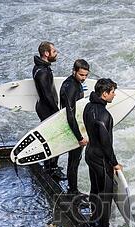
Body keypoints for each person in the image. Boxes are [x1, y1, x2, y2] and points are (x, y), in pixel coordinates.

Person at [83, 78, 123, 227]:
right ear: (105, 94)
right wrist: (114, 163)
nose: (114, 94)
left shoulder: (88, 106)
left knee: (95, 190)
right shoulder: (105, 115)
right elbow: (106, 144)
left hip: (90, 154)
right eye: (112, 92)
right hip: (101, 159)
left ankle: (93, 221)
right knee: (106, 196)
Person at [32, 41, 66, 180]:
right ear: (46, 53)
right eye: (54, 51)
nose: (56, 53)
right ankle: (51, 169)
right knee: (54, 140)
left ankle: (51, 166)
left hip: (44, 107)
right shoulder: (42, 72)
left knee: (51, 138)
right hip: (47, 109)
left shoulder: (40, 67)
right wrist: (58, 112)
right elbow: (47, 95)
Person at [59, 59, 90, 196]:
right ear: (74, 71)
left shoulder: (72, 82)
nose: (83, 78)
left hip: (73, 125)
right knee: (74, 161)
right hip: (72, 127)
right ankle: (73, 191)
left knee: (74, 160)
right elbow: (70, 114)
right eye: (81, 75)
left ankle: (73, 189)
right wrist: (79, 137)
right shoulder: (71, 87)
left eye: (85, 75)